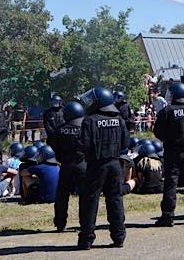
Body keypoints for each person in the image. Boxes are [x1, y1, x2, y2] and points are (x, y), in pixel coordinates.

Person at [76, 86, 127, 250]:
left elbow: (83, 145)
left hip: (96, 166)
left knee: (90, 201)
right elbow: (125, 143)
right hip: (114, 164)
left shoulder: (90, 120)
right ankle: (119, 237)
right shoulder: (119, 119)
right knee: (115, 200)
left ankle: (86, 240)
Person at [153, 81, 184, 227]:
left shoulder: (167, 111)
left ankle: (168, 216)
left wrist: (169, 138)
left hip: (172, 151)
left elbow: (158, 132)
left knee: (171, 183)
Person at [51, 101, 86, 232]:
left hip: (66, 164)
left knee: (62, 195)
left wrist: (62, 158)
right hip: (82, 164)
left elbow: (54, 146)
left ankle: (60, 223)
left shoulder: (59, 130)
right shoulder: (84, 128)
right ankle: (85, 222)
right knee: (85, 195)